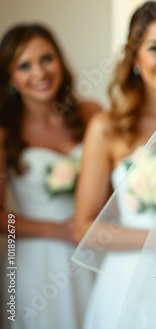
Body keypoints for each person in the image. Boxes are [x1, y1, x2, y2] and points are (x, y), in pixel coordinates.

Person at [72, 0, 156, 329]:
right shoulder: (109, 127)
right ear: (135, 56)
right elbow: (84, 227)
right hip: (126, 281)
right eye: (155, 48)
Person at [0, 24, 101, 328]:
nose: (39, 73)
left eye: (46, 59)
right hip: (37, 258)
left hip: (92, 247)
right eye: (24, 65)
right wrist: (56, 230)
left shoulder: (90, 113)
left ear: (60, 61)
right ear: (11, 77)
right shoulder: (5, 131)